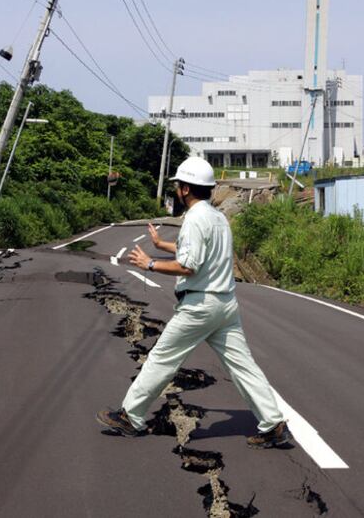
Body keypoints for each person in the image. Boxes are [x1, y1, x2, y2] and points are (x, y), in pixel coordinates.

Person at [97, 156, 292, 449]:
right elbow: (199, 248)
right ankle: (273, 423)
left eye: (178, 185)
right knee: (243, 366)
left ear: (185, 189)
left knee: (162, 358)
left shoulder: (194, 219)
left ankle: (131, 417)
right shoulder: (217, 218)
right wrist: (163, 246)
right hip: (225, 305)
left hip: (199, 306)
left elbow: (189, 265)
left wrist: (150, 264)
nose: (177, 188)